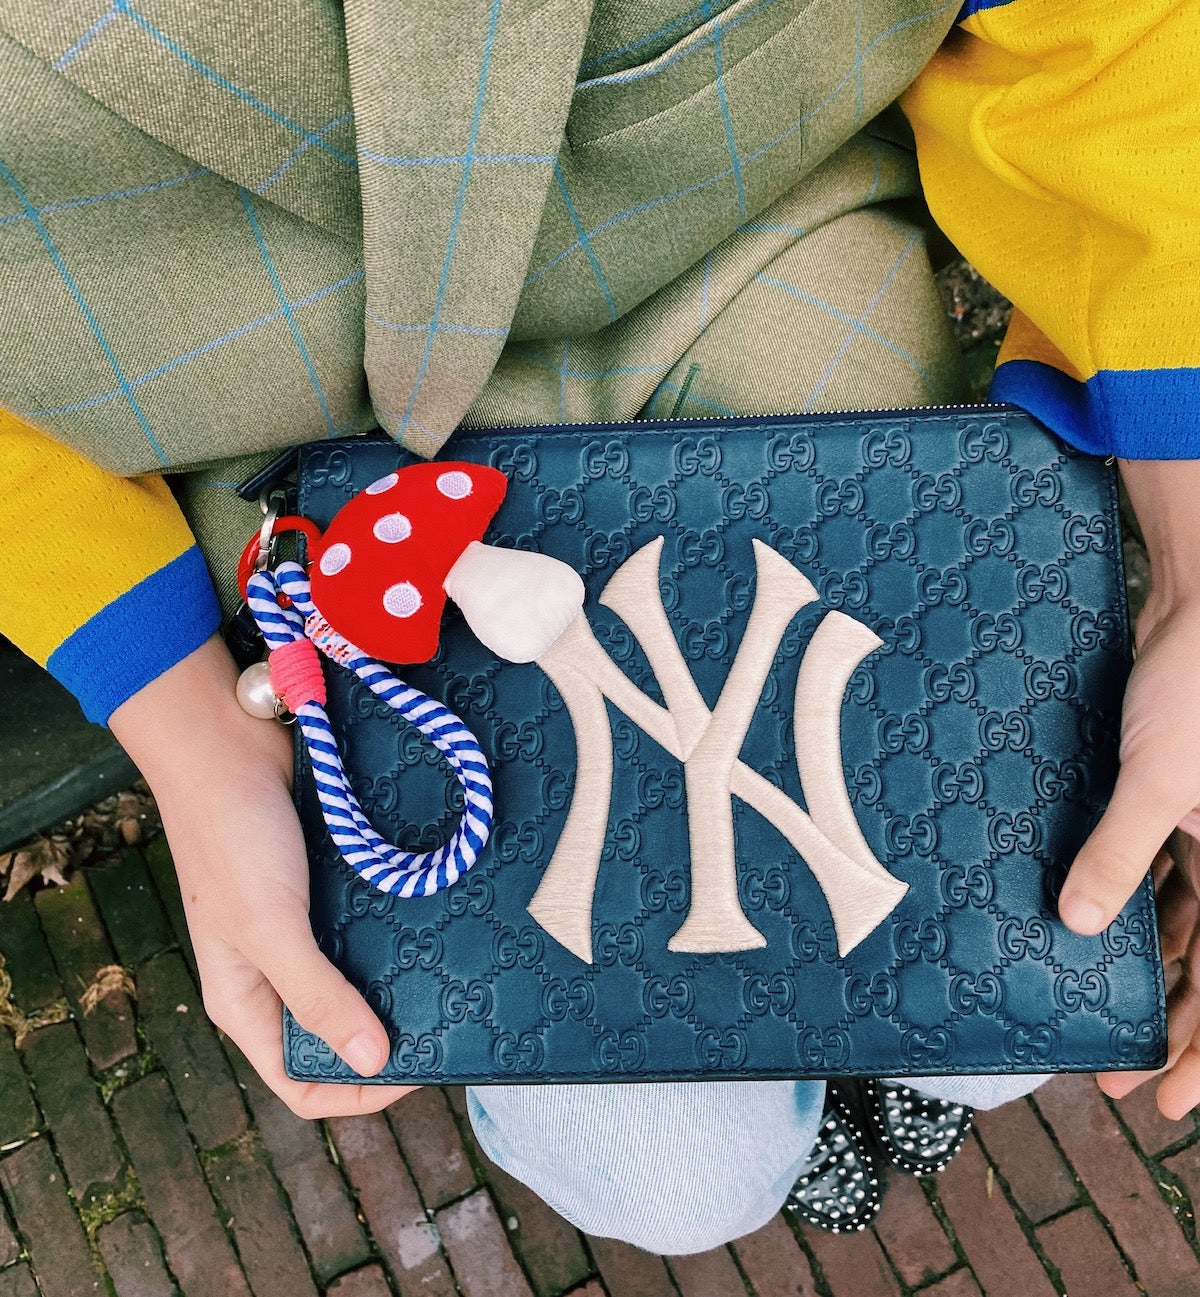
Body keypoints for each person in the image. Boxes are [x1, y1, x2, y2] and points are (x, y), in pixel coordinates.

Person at [2, 0, 1198, 1253]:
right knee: (680, 1176)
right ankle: (844, 1073)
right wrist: (181, 722)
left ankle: (884, 1063)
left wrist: (1192, 565)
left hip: (759, 258)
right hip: (340, 505)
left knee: (1006, 996)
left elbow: (1107, 38)